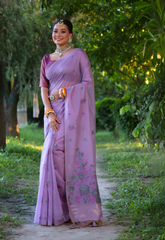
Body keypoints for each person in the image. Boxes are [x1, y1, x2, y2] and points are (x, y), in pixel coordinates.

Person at [34, 19, 103, 228]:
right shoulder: (46, 59)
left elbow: (88, 84)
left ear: (70, 35)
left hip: (73, 113)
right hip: (53, 115)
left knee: (63, 156)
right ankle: (61, 209)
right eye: (55, 31)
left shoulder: (79, 55)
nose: (58, 34)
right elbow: (44, 89)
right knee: (52, 156)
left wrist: (65, 92)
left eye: (63, 31)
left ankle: (76, 207)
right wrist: (48, 111)